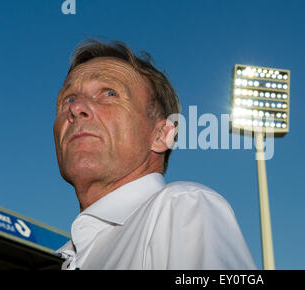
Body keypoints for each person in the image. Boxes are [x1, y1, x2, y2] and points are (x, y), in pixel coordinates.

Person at [54, 39, 257, 270]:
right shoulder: (57, 256)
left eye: (109, 93)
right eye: (68, 99)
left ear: (161, 135)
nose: (76, 107)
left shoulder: (181, 207)